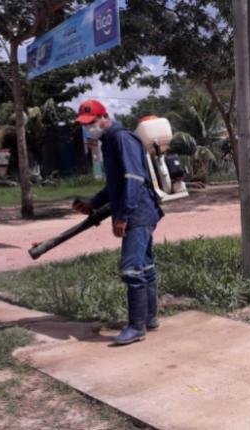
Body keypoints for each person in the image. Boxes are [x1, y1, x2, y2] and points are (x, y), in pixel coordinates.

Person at [73, 100, 164, 345]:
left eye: (91, 123)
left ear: (104, 117)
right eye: (85, 125)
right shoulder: (109, 141)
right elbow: (116, 185)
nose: (88, 128)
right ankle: (149, 318)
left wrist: (123, 216)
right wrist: (93, 202)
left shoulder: (121, 139)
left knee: (131, 269)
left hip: (137, 213)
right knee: (144, 267)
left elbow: (133, 180)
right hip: (140, 211)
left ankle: (136, 327)